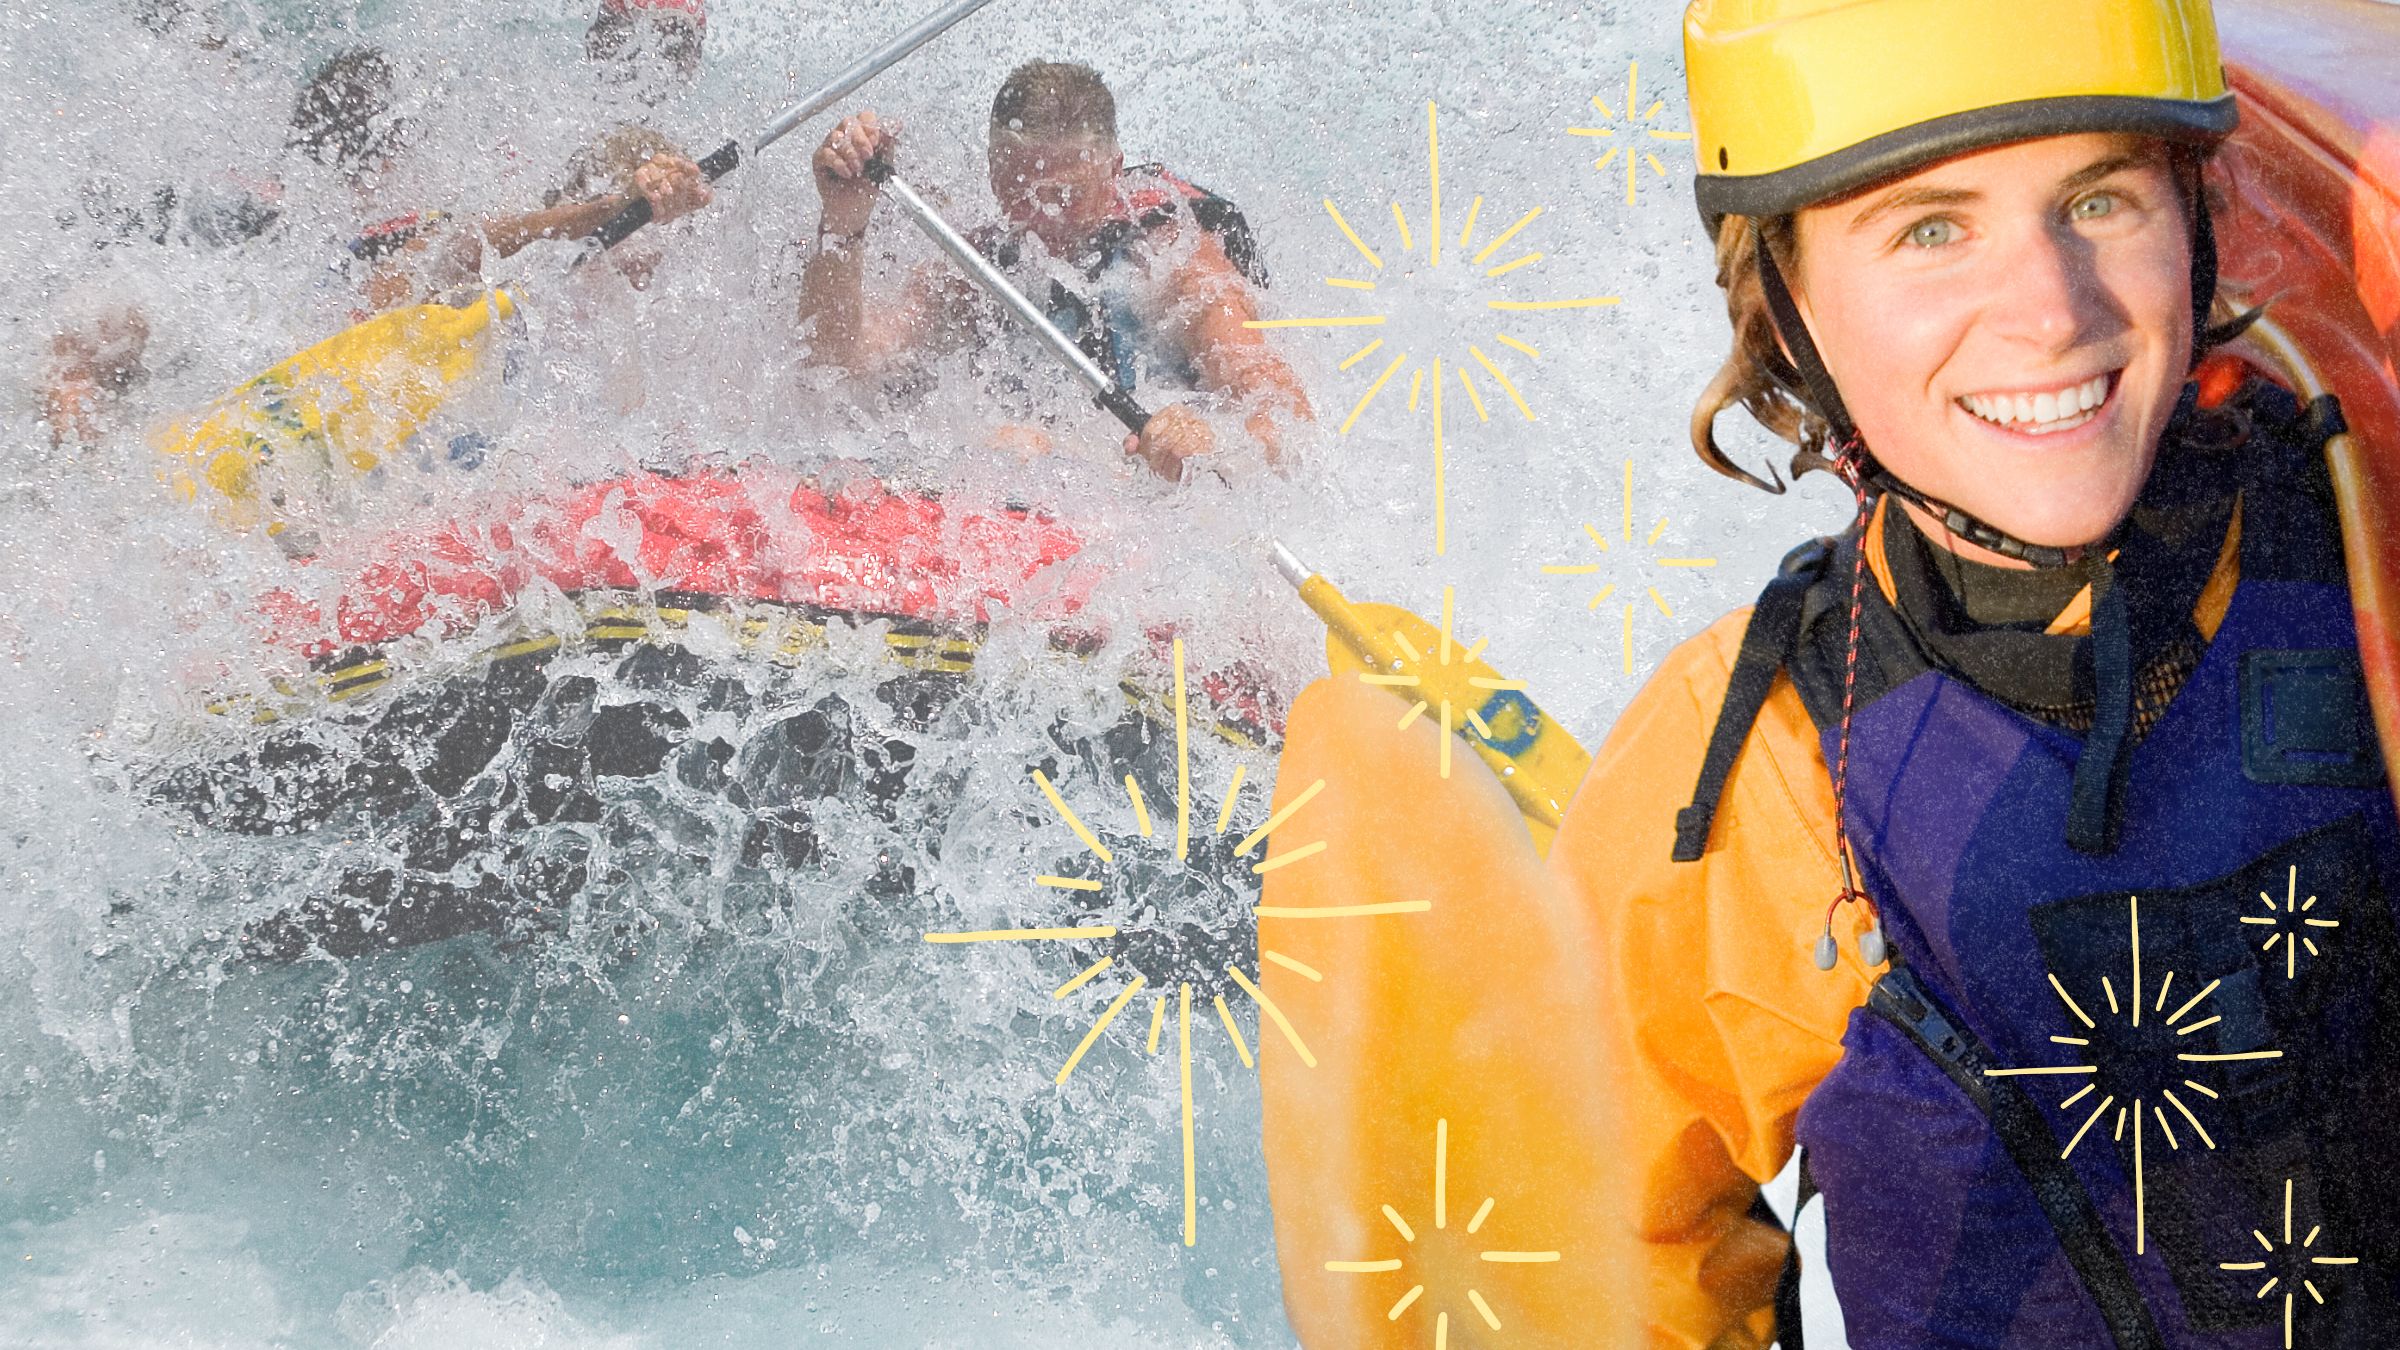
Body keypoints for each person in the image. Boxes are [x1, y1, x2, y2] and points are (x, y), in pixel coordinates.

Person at [1252, 0, 2400, 1346]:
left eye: (2100, 199)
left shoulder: (2363, 538)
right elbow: (1599, 1283)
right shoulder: (1749, 779)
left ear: (2197, 226)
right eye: (1931, 230)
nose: (2050, 310)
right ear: (1785, 306)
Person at [796, 60, 1311, 481]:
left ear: (1113, 170)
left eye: (1070, 194)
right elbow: (835, 365)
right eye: (1019, 191)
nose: (1045, 218)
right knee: (1011, 445)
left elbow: (1289, 418)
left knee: (1024, 446)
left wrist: (1210, 443)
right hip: (1038, 481)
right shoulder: (976, 263)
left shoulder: (1171, 258)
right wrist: (842, 222)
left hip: (1149, 497)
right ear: (993, 173)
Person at [293, 46, 714, 319]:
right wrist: (610, 210)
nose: (644, 271)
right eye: (636, 231)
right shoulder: (490, 256)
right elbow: (462, 249)